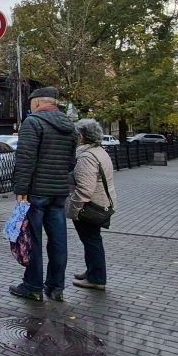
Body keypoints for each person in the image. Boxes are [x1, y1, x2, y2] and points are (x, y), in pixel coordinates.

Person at [10, 87, 78, 302]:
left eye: (31, 103)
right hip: (59, 192)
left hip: (36, 192)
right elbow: (71, 162)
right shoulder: (70, 126)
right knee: (58, 240)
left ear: (37, 102)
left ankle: (33, 286)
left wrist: (21, 190)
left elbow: (25, 158)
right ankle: (56, 287)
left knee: (33, 240)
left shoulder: (33, 123)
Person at [68, 119, 116, 291]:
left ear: (81, 136)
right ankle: (92, 271)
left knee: (91, 241)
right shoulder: (99, 151)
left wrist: (74, 209)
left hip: (90, 206)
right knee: (92, 239)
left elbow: (85, 189)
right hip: (101, 202)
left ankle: (96, 278)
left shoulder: (87, 157)